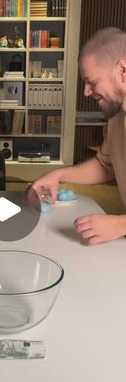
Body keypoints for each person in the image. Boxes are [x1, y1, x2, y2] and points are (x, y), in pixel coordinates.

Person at [29, 27, 126, 245]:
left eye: (92, 82)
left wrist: (119, 224)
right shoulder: (117, 117)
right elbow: (106, 165)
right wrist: (57, 175)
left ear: (122, 70)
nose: (86, 92)